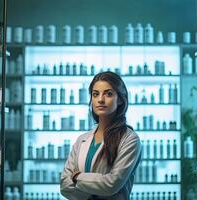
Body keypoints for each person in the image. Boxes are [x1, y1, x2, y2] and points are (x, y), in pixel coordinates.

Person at [60, 71, 141, 200]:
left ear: (120, 99)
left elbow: (111, 184)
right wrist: (94, 188)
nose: (100, 100)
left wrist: (76, 177)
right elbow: (64, 185)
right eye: (95, 94)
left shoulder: (130, 139)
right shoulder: (82, 139)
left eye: (108, 94)